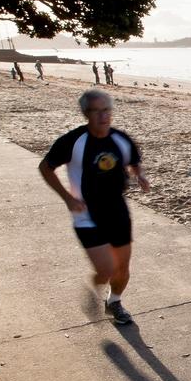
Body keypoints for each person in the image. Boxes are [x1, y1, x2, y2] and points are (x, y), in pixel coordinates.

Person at [38, 89, 150, 325]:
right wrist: (67, 198)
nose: (103, 116)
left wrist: (139, 176)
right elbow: (45, 168)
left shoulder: (120, 138)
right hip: (86, 214)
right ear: (86, 113)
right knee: (106, 270)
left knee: (122, 268)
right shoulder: (73, 141)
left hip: (117, 210)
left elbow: (134, 161)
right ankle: (96, 286)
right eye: (96, 111)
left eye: (107, 110)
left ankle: (114, 302)